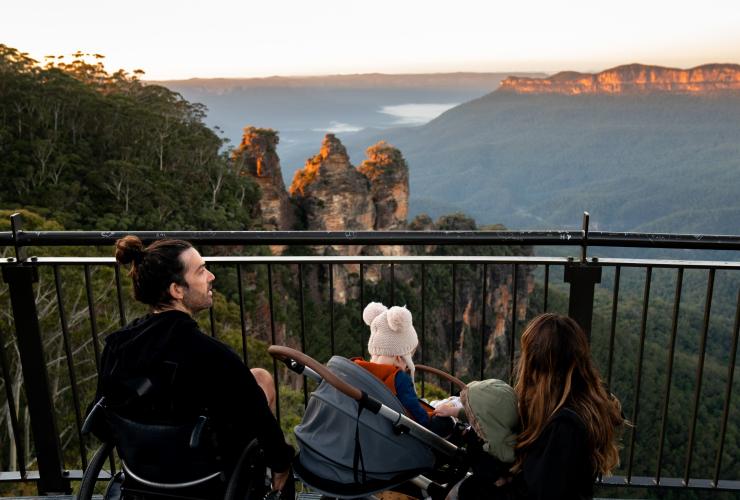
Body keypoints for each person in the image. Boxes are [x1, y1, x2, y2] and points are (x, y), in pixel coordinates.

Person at [89, 236, 293, 492]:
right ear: (177, 290)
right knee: (261, 380)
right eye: (201, 271)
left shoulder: (117, 346)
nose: (211, 277)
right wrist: (282, 464)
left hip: (142, 479)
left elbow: (101, 424)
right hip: (206, 480)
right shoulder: (212, 355)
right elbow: (262, 423)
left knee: (257, 378)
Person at [451, 313, 625, 500]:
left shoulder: (564, 426)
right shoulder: (572, 405)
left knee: (463, 489)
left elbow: (536, 492)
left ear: (535, 363)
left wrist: (475, 490)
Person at [353, 302, 453, 436]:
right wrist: (433, 421)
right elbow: (416, 412)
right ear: (400, 358)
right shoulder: (398, 379)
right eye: (408, 360)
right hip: (396, 432)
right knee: (446, 423)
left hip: (368, 426)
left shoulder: (357, 368)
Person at [433, 379, 518, 498]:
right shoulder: (502, 426)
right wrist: (453, 411)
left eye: (476, 421)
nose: (474, 423)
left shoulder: (498, 453)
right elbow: (484, 416)